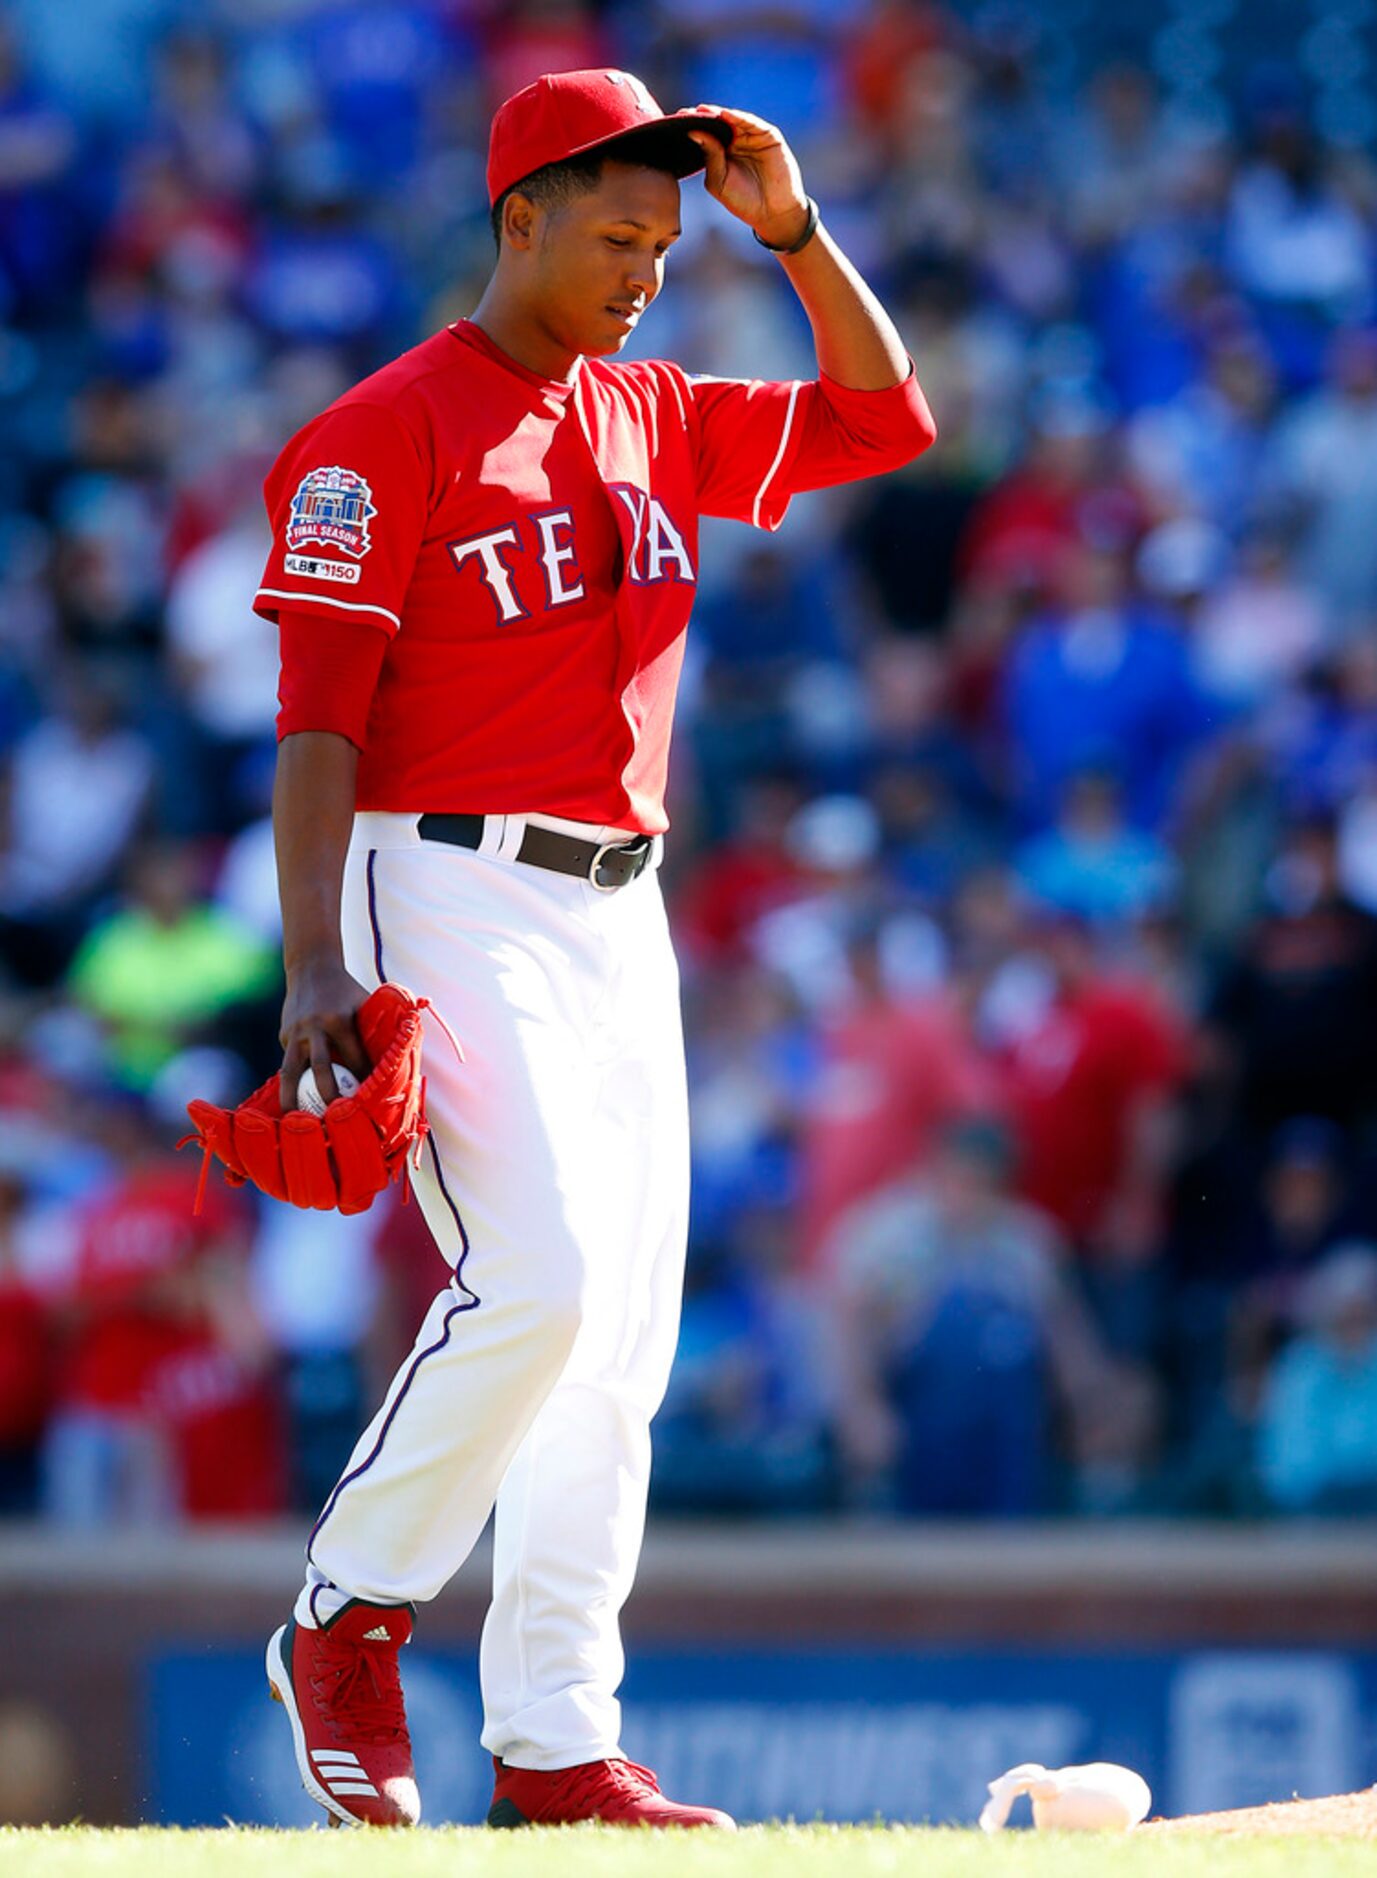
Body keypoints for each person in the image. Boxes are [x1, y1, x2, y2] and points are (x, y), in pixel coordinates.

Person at [255, 68, 935, 1832]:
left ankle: (555, 1742)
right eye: (618, 233)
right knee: (538, 1277)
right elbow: (316, 725)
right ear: (519, 217)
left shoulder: (651, 405)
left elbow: (881, 421)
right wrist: (314, 956)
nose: (646, 268)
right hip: (442, 878)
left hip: (615, 904)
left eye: (666, 238)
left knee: (616, 1342)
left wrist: (788, 231)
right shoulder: (377, 431)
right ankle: (347, 1612)